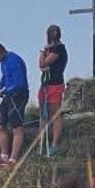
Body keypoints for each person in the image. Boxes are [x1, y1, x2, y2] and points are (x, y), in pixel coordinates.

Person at [0, 41, 29, 165]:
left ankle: (13, 160)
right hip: (8, 96)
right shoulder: (3, 62)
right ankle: (4, 156)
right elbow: (5, 77)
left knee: (17, 128)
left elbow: (19, 83)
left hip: (18, 96)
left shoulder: (14, 61)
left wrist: (1, 93)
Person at [37, 23, 69, 157]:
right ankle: (41, 143)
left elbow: (44, 63)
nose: (53, 34)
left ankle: (54, 144)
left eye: (55, 32)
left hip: (55, 84)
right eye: (51, 32)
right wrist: (44, 53)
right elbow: (41, 66)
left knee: (55, 114)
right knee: (44, 114)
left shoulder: (59, 48)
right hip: (46, 84)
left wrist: (43, 53)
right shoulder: (51, 49)